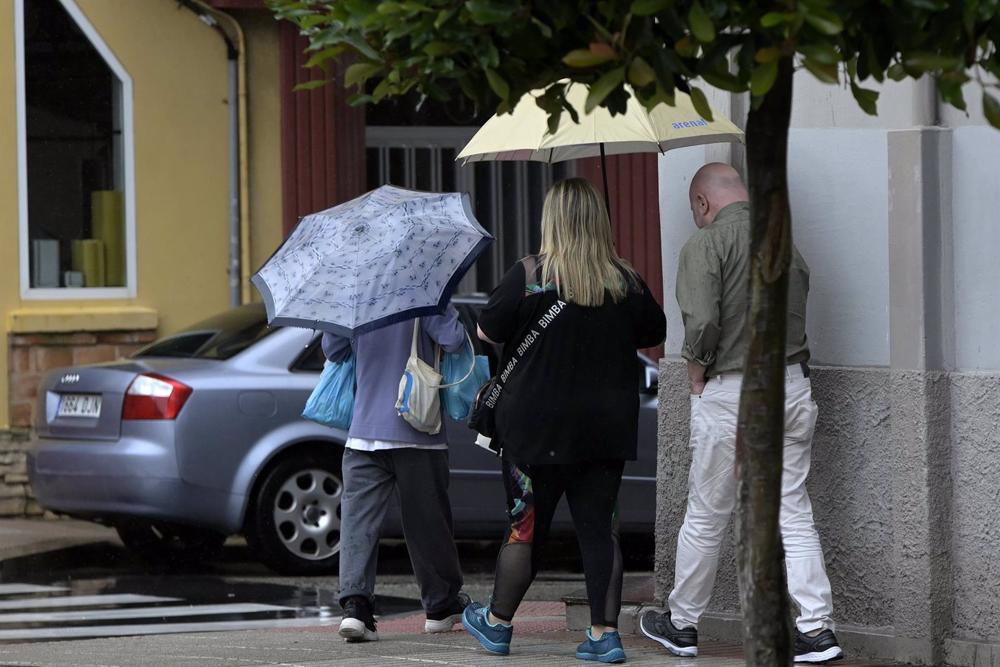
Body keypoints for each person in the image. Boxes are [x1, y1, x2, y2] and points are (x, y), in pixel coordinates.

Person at [639, 163, 843, 664]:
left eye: (695, 211)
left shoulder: (705, 245)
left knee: (707, 514)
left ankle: (682, 623)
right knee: (793, 513)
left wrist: (695, 373)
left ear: (703, 204)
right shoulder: (784, 243)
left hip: (731, 389)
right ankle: (817, 630)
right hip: (790, 386)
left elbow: (703, 318)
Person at [461, 178, 666, 663]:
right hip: (605, 426)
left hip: (534, 427)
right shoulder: (626, 281)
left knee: (526, 527)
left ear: (551, 220)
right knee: (600, 530)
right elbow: (654, 331)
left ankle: (497, 624)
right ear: (599, 220)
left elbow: (487, 329)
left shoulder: (528, 274)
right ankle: (604, 634)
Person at [322, 310, 468, 642]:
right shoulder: (424, 293)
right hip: (417, 429)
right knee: (427, 523)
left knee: (358, 522)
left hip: (363, 432)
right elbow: (454, 341)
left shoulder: (358, 297)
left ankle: (356, 608)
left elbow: (334, 350)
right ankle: (440, 606)